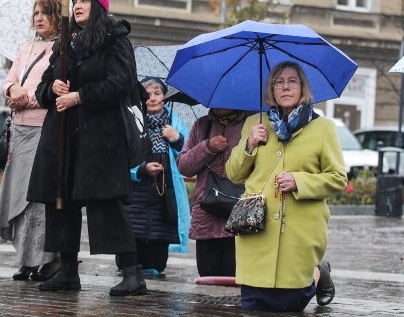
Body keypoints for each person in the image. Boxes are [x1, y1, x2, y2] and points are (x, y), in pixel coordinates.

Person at [27, 0, 146, 296]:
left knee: (108, 203)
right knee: (61, 201)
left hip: (101, 138)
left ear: (99, 7)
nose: (78, 5)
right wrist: (52, 88)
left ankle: (132, 272)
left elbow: (121, 83)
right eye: (75, 0)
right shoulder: (65, 43)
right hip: (64, 136)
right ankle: (67, 270)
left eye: (85, 0)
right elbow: (43, 88)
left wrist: (80, 96)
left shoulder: (115, 39)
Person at [225, 61, 345, 312]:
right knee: (252, 304)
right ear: (271, 89)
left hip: (299, 229)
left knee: (292, 303)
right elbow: (234, 174)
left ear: (303, 87)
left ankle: (318, 272)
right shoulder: (254, 124)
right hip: (257, 225)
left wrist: (300, 181)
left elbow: (337, 178)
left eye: (292, 81)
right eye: (278, 81)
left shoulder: (323, 128)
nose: (286, 87)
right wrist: (249, 145)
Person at [0, 0, 63, 282]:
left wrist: (27, 98)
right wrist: (11, 92)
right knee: (19, 195)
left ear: (58, 16)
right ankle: (25, 260)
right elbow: (9, 80)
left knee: (37, 198)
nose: (39, 17)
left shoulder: (63, 48)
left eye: (45, 12)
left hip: (44, 130)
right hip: (18, 132)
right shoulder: (26, 47)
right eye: (35, 12)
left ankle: (47, 258)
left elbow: (55, 90)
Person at [124, 76, 190, 276]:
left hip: (164, 193)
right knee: (130, 240)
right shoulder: (131, 120)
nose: (152, 98)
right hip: (135, 191)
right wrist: (142, 169)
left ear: (164, 97)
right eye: (147, 94)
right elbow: (121, 157)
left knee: (157, 261)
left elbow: (189, 156)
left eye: (157, 93)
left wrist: (176, 138)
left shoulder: (175, 122)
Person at [177, 108, 250, 278]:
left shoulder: (253, 123)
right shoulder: (202, 125)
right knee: (207, 279)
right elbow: (184, 167)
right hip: (206, 213)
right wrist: (207, 147)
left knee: (236, 281)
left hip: (239, 213)